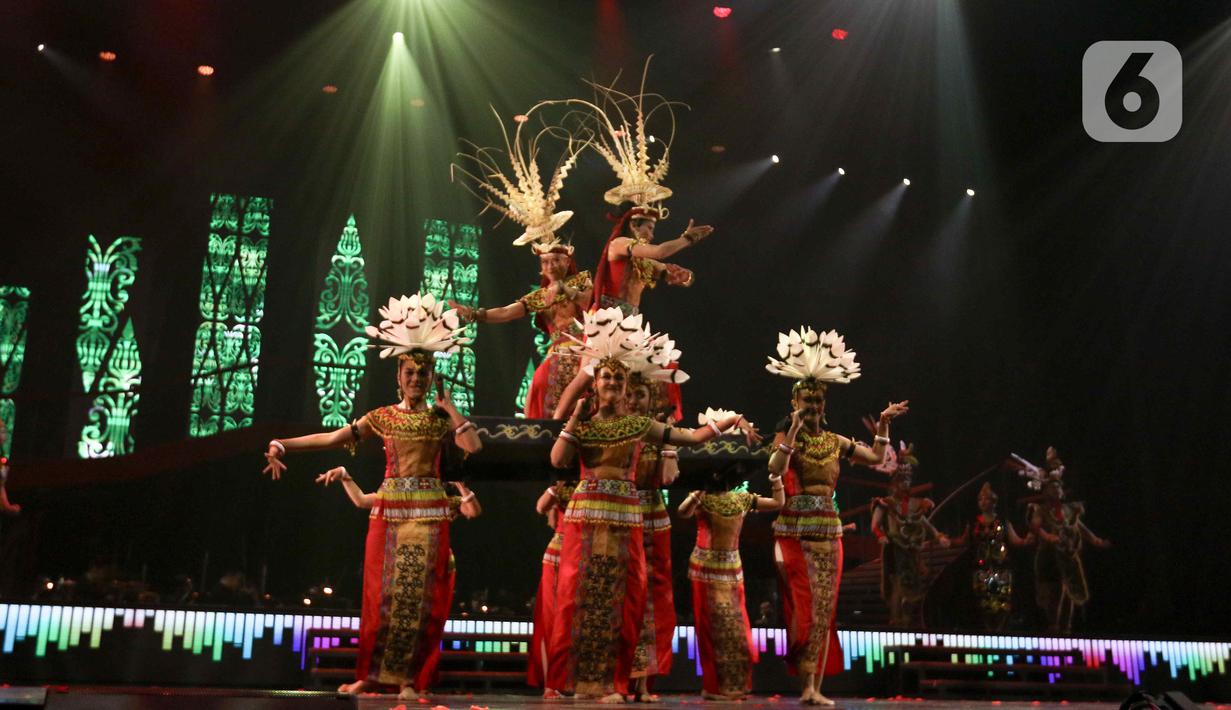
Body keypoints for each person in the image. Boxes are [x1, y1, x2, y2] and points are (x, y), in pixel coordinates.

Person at [262, 293, 481, 700]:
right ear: (398, 375)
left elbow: (473, 446)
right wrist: (282, 444)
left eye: (423, 373)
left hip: (429, 513)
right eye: (410, 372)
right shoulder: (381, 417)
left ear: (432, 376)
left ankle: (409, 679)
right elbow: (333, 437)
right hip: (388, 510)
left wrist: (451, 409)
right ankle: (372, 675)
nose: (416, 379)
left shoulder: (440, 419)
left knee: (419, 599)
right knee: (380, 597)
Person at [548, 308, 759, 703]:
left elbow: (691, 438)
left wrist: (729, 420)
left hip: (626, 517)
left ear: (627, 385)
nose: (612, 383)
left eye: (619, 378)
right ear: (595, 383)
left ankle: (612, 684)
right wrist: (575, 416)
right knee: (581, 597)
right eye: (606, 377)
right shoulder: (586, 425)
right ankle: (578, 682)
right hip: (585, 517)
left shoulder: (639, 425)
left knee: (623, 599)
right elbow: (558, 460)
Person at [764, 327, 908, 706]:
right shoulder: (789, 437)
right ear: (795, 402)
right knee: (805, 605)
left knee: (825, 609)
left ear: (824, 405)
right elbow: (775, 467)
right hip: (795, 533)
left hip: (829, 534)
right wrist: (792, 430)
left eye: (817, 401)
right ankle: (805, 684)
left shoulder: (835, 441)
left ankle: (815, 687)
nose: (812, 407)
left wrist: (883, 423)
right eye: (806, 401)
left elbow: (875, 458)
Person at [451, 110, 592, 418]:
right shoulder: (540, 297)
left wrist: (566, 290)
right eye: (546, 262)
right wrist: (474, 314)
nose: (551, 265)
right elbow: (507, 312)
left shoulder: (582, 281)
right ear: (540, 267)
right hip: (556, 356)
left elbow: (590, 304)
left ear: (567, 260)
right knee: (540, 386)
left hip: (586, 356)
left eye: (556, 259)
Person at [678, 415, 783, 701]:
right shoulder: (702, 497)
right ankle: (714, 686)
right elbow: (683, 512)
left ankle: (736, 685)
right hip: (704, 570)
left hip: (732, 572)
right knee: (710, 630)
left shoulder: (741, 499)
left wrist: (775, 478)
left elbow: (778, 503)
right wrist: (698, 492)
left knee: (736, 629)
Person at [1018, 448, 1111, 632]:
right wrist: (1048, 536)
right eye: (1052, 487)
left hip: (1068, 557)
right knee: (1055, 594)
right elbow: (1036, 526)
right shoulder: (1041, 510)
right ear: (1046, 490)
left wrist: (1096, 540)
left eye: (1058, 487)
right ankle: (1054, 629)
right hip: (1049, 557)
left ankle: (1067, 630)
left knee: (1070, 594)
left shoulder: (1069, 509)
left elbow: (1079, 527)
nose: (1056, 490)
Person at [869, 446, 950, 628]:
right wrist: (881, 535)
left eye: (907, 480)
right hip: (895, 549)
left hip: (912, 551)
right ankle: (896, 620)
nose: (905, 484)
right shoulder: (886, 503)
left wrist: (938, 536)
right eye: (901, 480)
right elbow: (875, 525)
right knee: (898, 585)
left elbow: (925, 523)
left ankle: (908, 620)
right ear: (894, 483)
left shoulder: (915, 504)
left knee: (913, 587)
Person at [952, 482, 1030, 631]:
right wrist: (946, 540)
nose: (983, 502)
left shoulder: (1003, 521)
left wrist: (1027, 540)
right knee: (983, 600)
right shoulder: (974, 523)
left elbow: (1015, 540)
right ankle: (987, 629)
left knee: (1002, 599)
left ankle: (1000, 629)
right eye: (980, 499)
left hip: (1001, 566)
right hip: (981, 567)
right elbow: (963, 541)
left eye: (986, 499)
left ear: (994, 502)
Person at [527, 479, 576, 697]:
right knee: (551, 619)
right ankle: (551, 683)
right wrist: (557, 486)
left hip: (582, 554)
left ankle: (573, 681)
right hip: (558, 557)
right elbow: (540, 507)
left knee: (575, 619)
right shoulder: (562, 489)